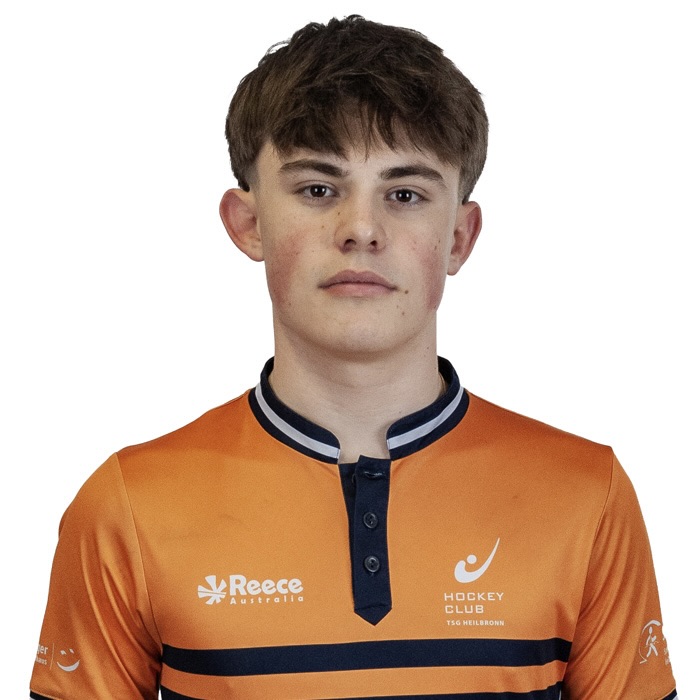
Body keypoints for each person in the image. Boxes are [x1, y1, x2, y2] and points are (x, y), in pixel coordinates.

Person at [29, 15, 677, 700]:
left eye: (404, 194)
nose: (362, 229)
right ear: (248, 224)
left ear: (459, 237)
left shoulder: (587, 495)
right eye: (318, 189)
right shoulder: (128, 507)